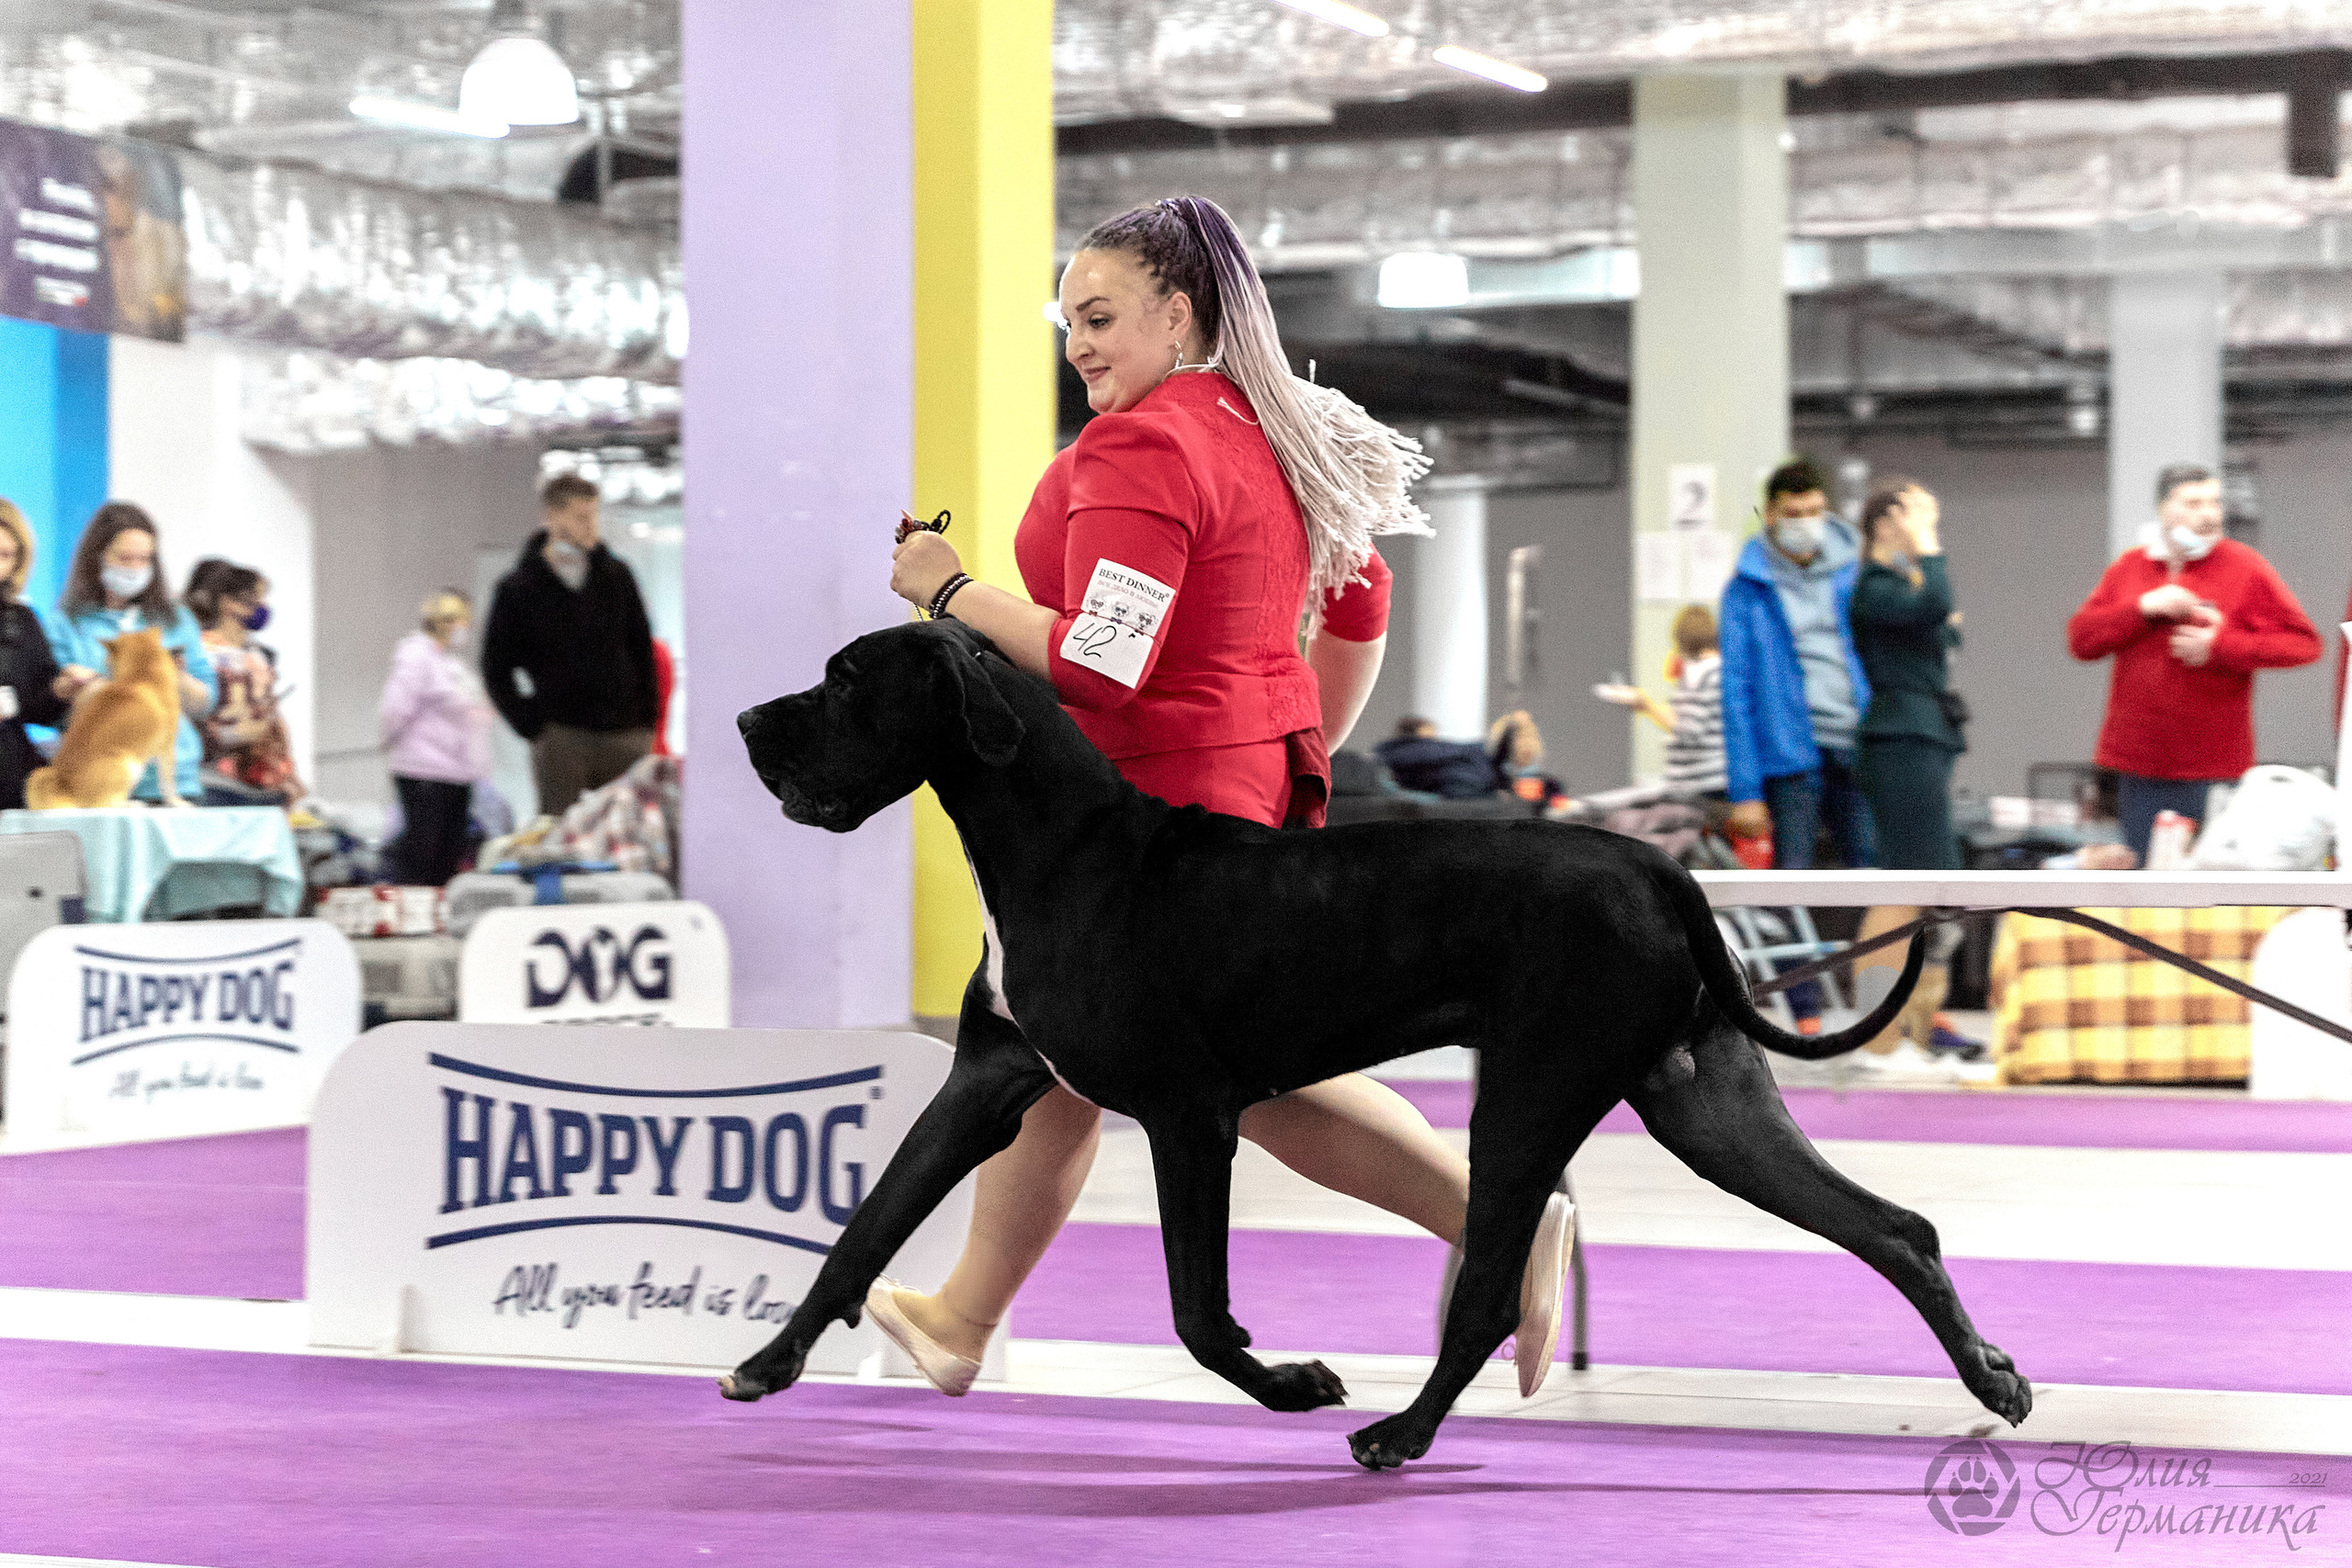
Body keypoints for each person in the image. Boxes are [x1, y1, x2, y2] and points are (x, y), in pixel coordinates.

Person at [877, 195, 1573, 1399]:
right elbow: (1360, 606)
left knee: (1122, 1058)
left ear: (1178, 312)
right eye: (1067, 323)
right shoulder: (1285, 431)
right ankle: (960, 1314)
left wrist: (951, 590)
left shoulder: (1142, 446)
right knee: (1073, 1058)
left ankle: (1498, 1219)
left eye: (1098, 318)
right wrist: (1296, 735)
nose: (1077, 344)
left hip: (1152, 812)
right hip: (1241, 791)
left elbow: (1103, 658)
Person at [2066, 463, 2322, 865]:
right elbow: (2082, 641)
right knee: (2143, 885)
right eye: (2194, 503)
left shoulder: (2245, 567)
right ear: (2164, 509)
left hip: (2213, 765)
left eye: (2215, 502)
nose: (2210, 514)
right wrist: (2143, 608)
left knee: (2209, 885)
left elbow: (2305, 644)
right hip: (2138, 762)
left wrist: (2221, 646)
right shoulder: (2131, 567)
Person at [1717, 458, 1876, 1026]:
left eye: (1815, 512)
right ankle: (1805, 1009)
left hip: (1859, 744)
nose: (1805, 523)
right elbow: (1735, 694)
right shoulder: (1745, 590)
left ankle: (1877, 1005)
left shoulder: (1856, 573)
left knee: (1876, 877)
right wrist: (1745, 789)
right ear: (1771, 514)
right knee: (1792, 881)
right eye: (1793, 514)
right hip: (1789, 755)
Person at [1848, 479, 1979, 1072]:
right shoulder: (1874, 587)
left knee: (1931, 890)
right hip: (1898, 738)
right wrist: (1927, 549)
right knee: (1904, 885)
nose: (1935, 525)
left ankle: (1912, 1038)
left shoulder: (1901, 586)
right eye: (1925, 513)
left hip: (1924, 733)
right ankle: (1876, 1045)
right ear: (1891, 517)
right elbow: (1938, 611)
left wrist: (1932, 586)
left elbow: (1944, 624)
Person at [481, 474, 659, 816]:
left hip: (625, 732)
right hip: (561, 734)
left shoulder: (617, 576)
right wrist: (532, 726)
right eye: (581, 517)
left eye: (593, 515)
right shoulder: (518, 589)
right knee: (559, 830)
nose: (591, 526)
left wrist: (646, 721)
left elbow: (641, 649)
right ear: (553, 516)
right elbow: (496, 668)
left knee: (629, 831)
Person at [43, 502, 215, 806]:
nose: (135, 568)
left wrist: (172, 675)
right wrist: (76, 687)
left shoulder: (175, 620)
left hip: (173, 781)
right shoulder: (66, 624)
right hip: (102, 777)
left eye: (144, 559)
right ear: (98, 557)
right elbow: (53, 706)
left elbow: (206, 700)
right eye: (125, 558)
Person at [380, 590, 493, 886]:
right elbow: (396, 708)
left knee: (451, 849)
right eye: (458, 620)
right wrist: (391, 739)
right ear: (441, 621)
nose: (464, 627)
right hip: (423, 771)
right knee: (423, 847)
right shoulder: (415, 655)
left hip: (457, 773)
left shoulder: (451, 664)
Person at [185, 559, 302, 806]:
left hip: (254, 779)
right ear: (228, 602)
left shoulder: (255, 655)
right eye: (254, 599)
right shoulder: (201, 653)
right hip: (216, 776)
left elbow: (270, 716)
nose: (260, 608)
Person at [0, 501, 70, 810]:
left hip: (10, 778)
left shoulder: (23, 620)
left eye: (5, 555)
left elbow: (38, 710)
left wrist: (60, 690)